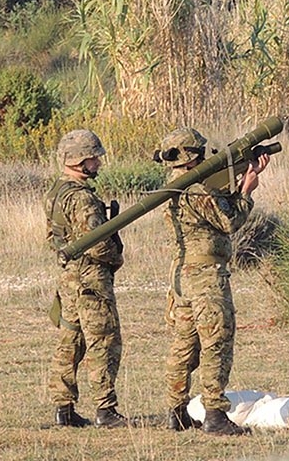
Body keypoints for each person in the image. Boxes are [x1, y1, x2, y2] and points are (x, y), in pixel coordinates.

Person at [155, 126, 269, 436]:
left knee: (184, 345)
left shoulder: (172, 187)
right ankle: (215, 415)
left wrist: (230, 187)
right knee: (216, 342)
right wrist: (247, 190)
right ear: (192, 155)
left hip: (182, 277)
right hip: (206, 277)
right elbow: (229, 221)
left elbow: (213, 212)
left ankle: (176, 411)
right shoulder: (196, 189)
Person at [44, 129, 128, 428]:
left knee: (71, 340)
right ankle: (106, 410)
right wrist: (117, 258)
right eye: (94, 159)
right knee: (103, 341)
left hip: (69, 278)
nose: (98, 164)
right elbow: (98, 242)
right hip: (91, 278)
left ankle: (63, 408)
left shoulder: (57, 191)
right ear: (80, 161)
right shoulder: (82, 199)